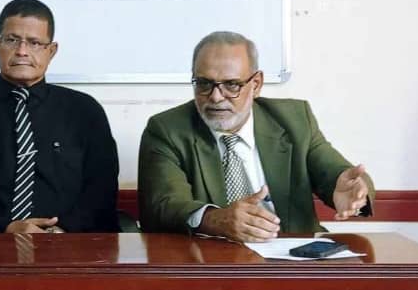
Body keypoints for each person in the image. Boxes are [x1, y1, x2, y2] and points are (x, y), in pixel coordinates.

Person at [138, 31, 373, 241]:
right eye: (204, 83)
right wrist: (216, 220)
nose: (216, 97)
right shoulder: (168, 130)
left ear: (256, 84)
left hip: (292, 258)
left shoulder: (295, 120)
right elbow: (165, 206)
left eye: (231, 85)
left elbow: (338, 175)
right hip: (213, 262)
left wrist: (355, 191)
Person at [0, 0, 119, 233]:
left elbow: (102, 189)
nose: (22, 51)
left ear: (52, 51)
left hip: (69, 243)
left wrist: (61, 231)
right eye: (11, 40)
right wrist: (5, 228)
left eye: (35, 43)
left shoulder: (85, 111)